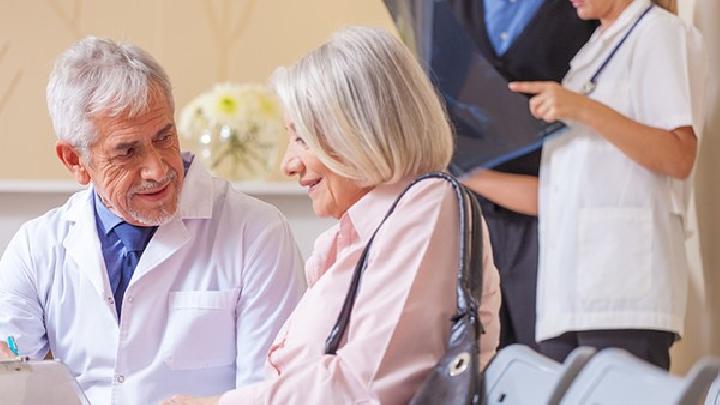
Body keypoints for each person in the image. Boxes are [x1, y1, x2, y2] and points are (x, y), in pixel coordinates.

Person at [163, 26, 501, 405]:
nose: (288, 164)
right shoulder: (357, 235)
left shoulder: (427, 206)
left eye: (302, 138)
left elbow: (363, 386)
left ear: (361, 132)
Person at [0, 37, 305, 403]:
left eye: (164, 137)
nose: (157, 169)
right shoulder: (37, 247)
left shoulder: (257, 232)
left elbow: (274, 396)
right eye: (127, 151)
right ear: (74, 160)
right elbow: (10, 377)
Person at [502, 0, 705, 369]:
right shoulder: (588, 58)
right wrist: (466, 172)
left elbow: (679, 156)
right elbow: (554, 198)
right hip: (565, 301)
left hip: (624, 294)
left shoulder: (657, 32)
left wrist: (581, 109)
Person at [448, 0, 597, 350]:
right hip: (470, 212)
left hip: (551, 211)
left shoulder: (589, 10)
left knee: (550, 363)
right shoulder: (450, 10)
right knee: (481, 365)